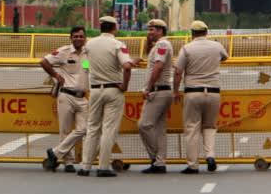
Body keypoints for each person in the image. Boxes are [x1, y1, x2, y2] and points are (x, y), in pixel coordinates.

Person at [79, 15, 134, 178]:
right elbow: (126, 66)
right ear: (114, 28)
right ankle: (103, 166)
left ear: (101, 27)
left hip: (95, 89)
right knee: (108, 129)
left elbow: (85, 65)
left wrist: (94, 72)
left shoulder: (89, 44)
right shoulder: (118, 44)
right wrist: (124, 85)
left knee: (92, 128)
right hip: (113, 89)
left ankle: (85, 166)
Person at [173, 20, 229, 174]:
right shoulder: (216, 46)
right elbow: (225, 57)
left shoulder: (187, 48)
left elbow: (178, 71)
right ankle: (210, 155)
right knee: (210, 126)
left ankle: (193, 164)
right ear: (206, 32)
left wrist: (175, 91)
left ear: (192, 33)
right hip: (213, 92)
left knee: (192, 128)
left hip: (193, 92)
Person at [42, 26, 89, 173]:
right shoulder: (63, 52)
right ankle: (68, 162)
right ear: (71, 38)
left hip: (82, 97)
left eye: (81, 36)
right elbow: (44, 62)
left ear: (85, 38)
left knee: (84, 129)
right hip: (66, 95)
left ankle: (55, 153)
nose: (78, 39)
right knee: (65, 130)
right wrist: (56, 76)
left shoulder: (90, 53)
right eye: (75, 36)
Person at [138, 19, 175, 174]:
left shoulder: (162, 45)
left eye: (152, 29)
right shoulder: (159, 45)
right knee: (159, 129)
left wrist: (148, 87)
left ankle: (155, 157)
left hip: (159, 90)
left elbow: (158, 66)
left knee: (144, 125)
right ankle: (160, 162)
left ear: (161, 30)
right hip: (162, 90)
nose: (149, 32)